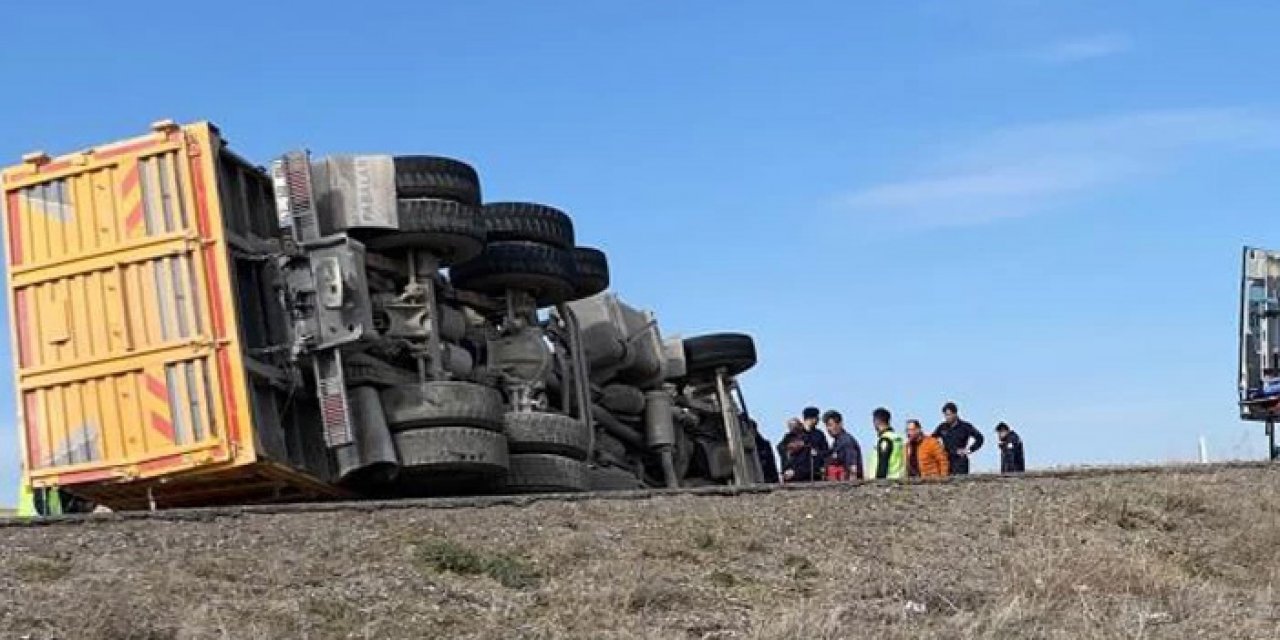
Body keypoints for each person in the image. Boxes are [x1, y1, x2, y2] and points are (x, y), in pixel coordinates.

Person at [933, 401, 984, 475]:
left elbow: (980, 438)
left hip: (960, 461)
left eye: (948, 415)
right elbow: (932, 439)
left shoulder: (965, 426)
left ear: (955, 414)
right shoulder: (942, 427)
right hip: (946, 460)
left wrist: (969, 450)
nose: (947, 417)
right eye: (945, 415)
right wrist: (939, 450)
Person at [822, 410, 863, 480]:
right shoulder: (836, 442)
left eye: (830, 425)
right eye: (827, 426)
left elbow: (852, 467)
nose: (828, 429)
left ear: (840, 424)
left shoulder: (846, 441)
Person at [868, 407, 906, 479]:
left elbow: (883, 463)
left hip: (886, 482)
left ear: (877, 421)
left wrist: (878, 483)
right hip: (898, 480)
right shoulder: (898, 439)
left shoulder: (885, 439)